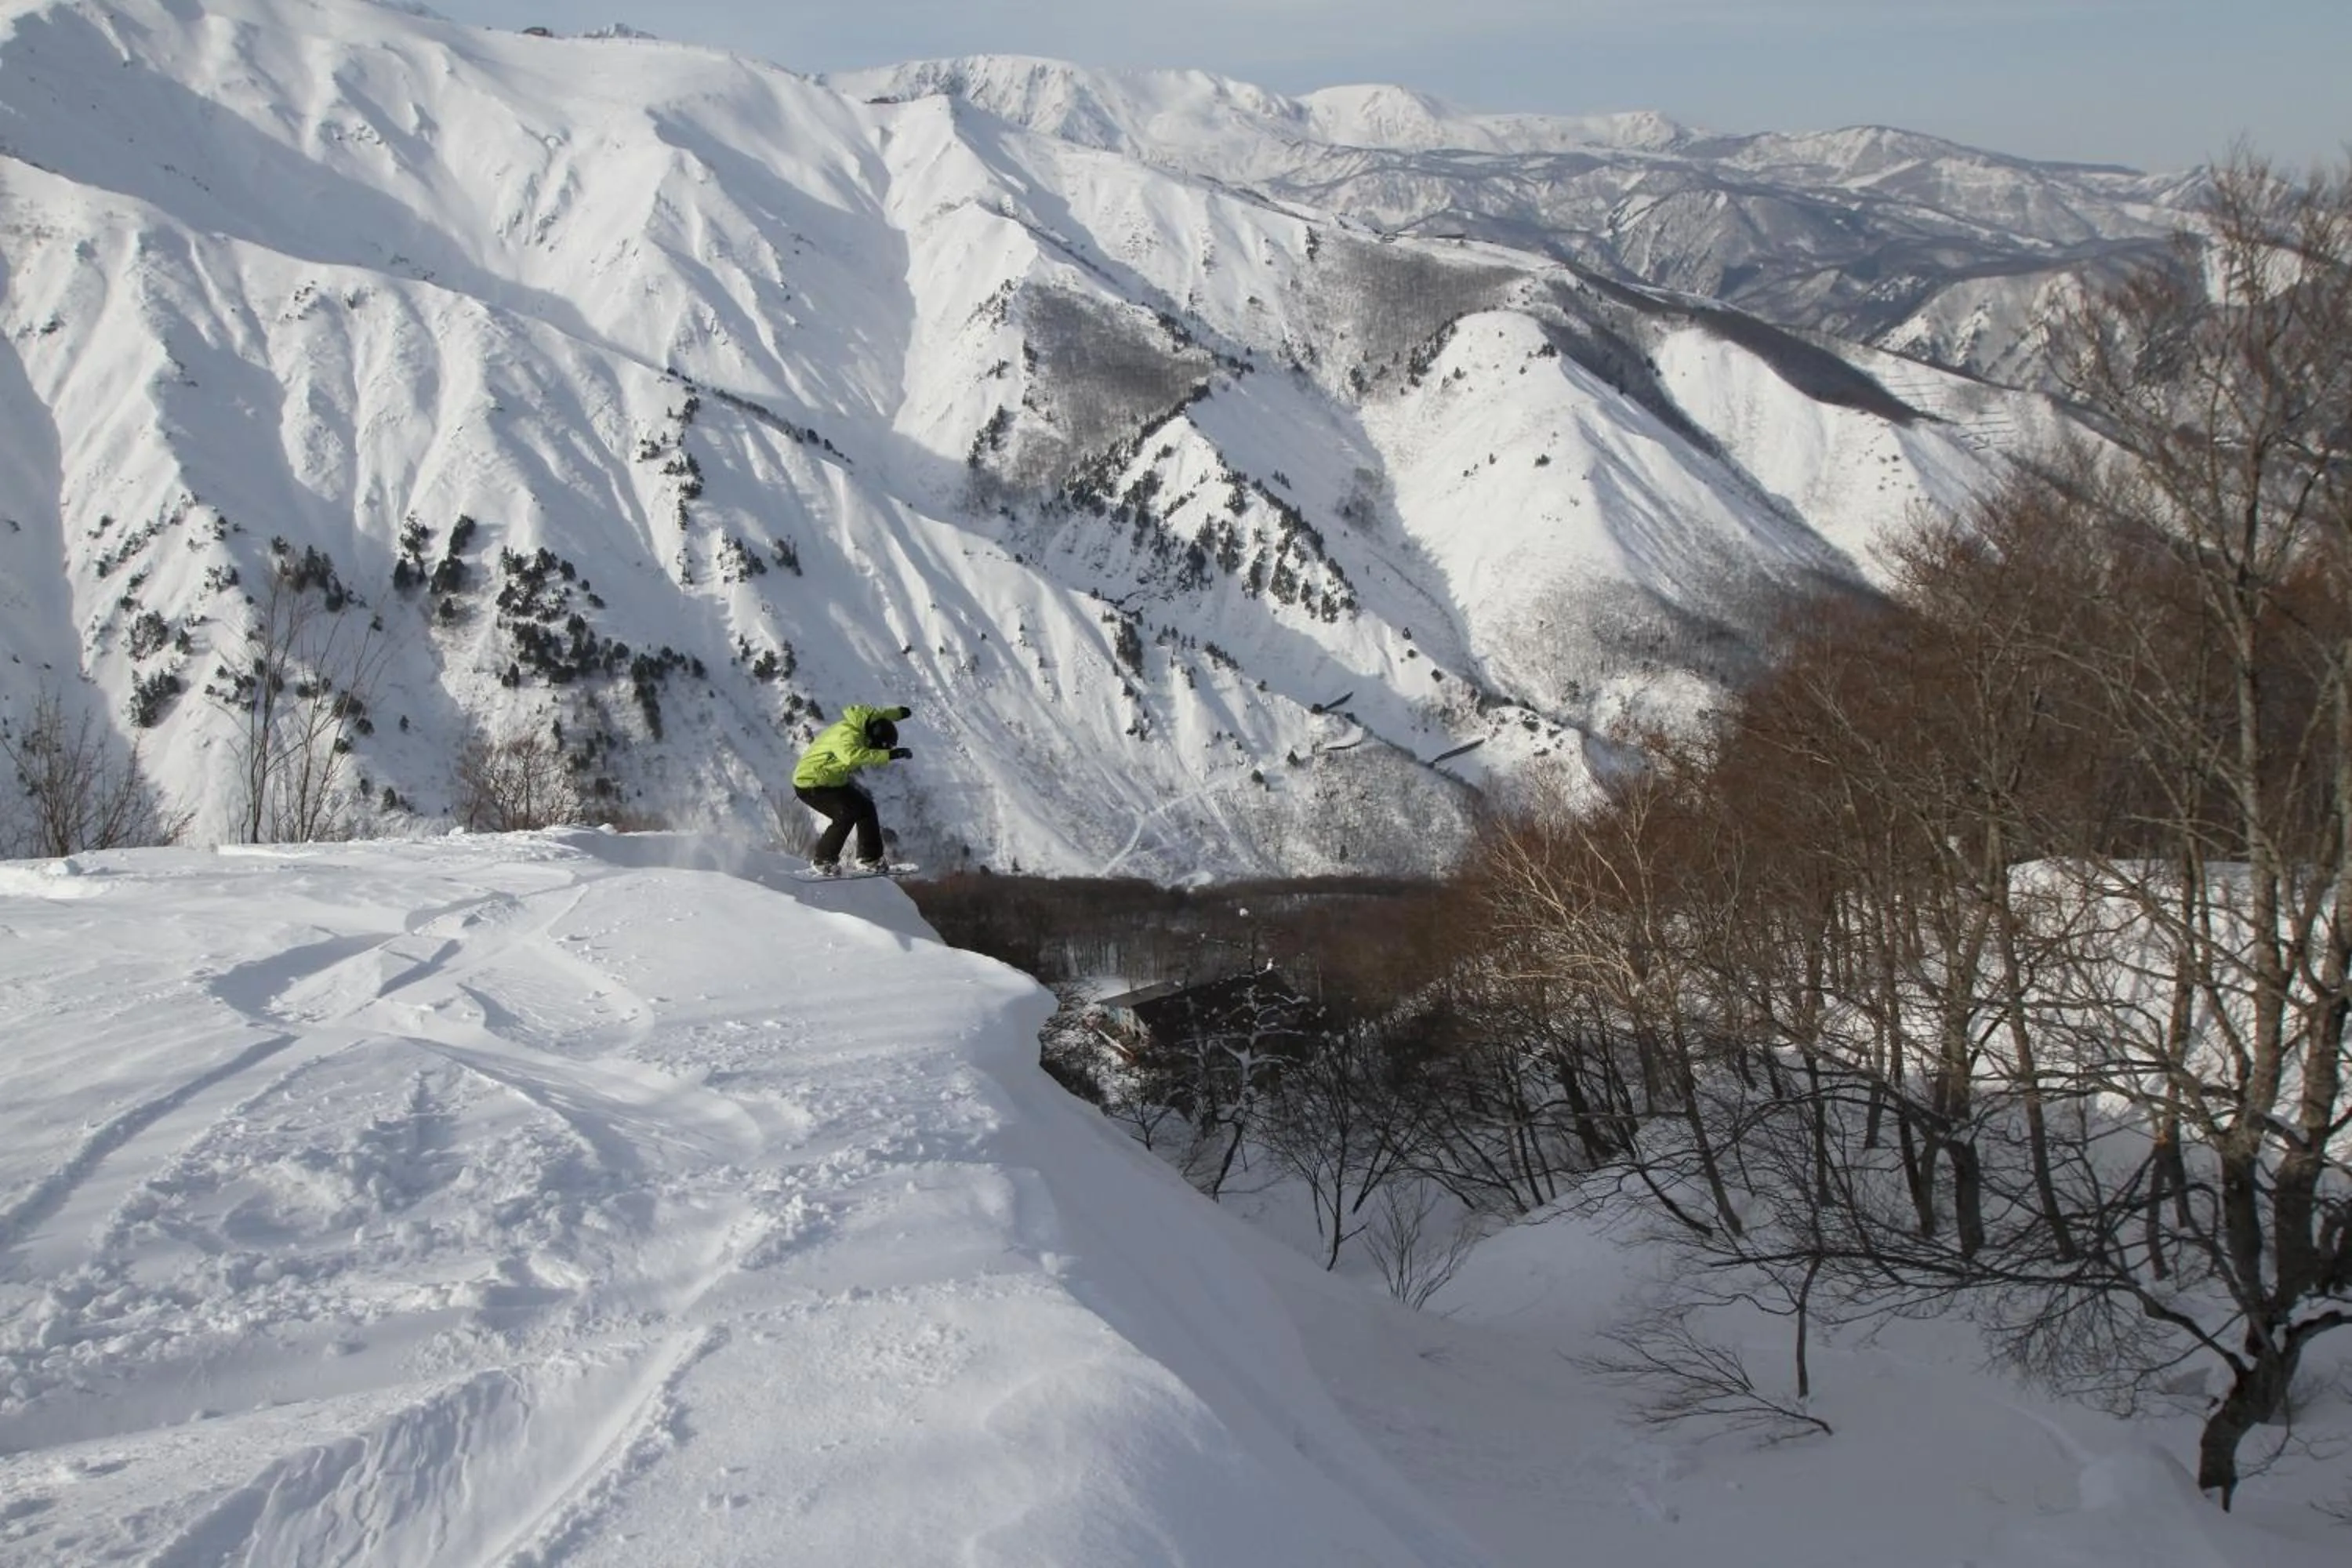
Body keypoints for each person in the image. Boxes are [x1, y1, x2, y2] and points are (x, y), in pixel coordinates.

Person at [791, 702, 913, 873]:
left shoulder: (866, 721)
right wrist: (889, 755)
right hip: (811, 783)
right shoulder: (848, 735)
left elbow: (882, 714)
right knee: (846, 813)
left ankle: (869, 860)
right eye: (874, 746)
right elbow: (851, 757)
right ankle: (823, 861)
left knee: (866, 807)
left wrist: (899, 713)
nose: (871, 749)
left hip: (832, 781)